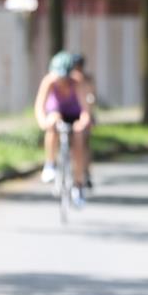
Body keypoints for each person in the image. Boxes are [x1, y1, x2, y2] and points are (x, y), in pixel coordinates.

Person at [34, 51, 92, 207]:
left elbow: (86, 111)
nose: (62, 81)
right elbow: (39, 107)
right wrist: (43, 122)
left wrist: (82, 123)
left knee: (79, 138)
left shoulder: (77, 82)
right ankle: (50, 163)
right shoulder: (49, 82)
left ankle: (78, 185)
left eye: (65, 77)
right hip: (56, 113)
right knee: (53, 123)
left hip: (75, 114)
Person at [69, 54, 97, 190]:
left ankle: (86, 172)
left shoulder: (87, 79)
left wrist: (90, 113)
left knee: (85, 144)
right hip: (73, 113)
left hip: (85, 113)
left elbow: (92, 95)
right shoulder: (69, 79)